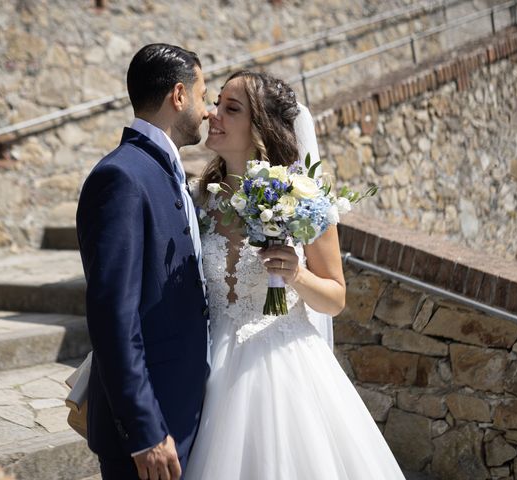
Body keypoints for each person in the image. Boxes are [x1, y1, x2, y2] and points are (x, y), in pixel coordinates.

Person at [185, 71, 406, 479]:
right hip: (206, 369)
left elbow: (335, 299)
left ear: (262, 127)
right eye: (217, 103)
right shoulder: (197, 199)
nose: (213, 114)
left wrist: (297, 275)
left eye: (231, 109)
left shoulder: (302, 199)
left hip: (284, 368)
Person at [75, 43, 210, 480]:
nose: (208, 112)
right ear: (179, 95)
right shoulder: (123, 177)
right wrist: (145, 431)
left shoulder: (167, 171)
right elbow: (114, 316)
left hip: (183, 411)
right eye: (204, 96)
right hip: (152, 432)